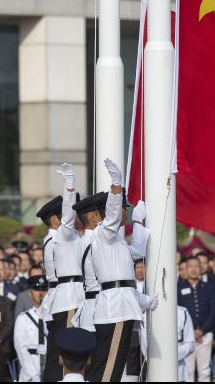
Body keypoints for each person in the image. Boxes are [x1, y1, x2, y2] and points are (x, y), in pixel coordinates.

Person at [86, 159, 157, 382]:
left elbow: (137, 251)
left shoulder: (114, 239)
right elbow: (114, 215)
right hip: (115, 308)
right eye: (125, 209)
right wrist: (116, 185)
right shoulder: (103, 233)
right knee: (110, 367)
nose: (125, 212)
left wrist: (138, 222)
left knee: (111, 365)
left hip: (121, 304)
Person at [45, 163, 84, 381]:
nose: (77, 214)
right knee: (67, 354)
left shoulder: (73, 236)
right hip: (69, 297)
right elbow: (68, 217)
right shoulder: (63, 235)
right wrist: (70, 187)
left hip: (71, 296)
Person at [34, 192, 64, 381]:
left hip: (58, 298)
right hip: (61, 298)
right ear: (54, 220)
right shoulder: (55, 241)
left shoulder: (53, 240)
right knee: (58, 354)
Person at [178, 256, 215, 382]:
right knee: (188, 370)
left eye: (196, 266)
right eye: (190, 266)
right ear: (185, 269)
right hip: (186, 336)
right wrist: (192, 332)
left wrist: (201, 331)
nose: (193, 269)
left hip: (205, 334)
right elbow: (178, 312)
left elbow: (214, 312)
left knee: (204, 370)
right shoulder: (178, 287)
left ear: (201, 269)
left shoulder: (209, 287)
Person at [13, 275, 49, 382]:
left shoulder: (53, 317)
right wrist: (33, 375)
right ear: (30, 293)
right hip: (29, 373)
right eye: (37, 289)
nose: (41, 293)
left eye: (44, 289)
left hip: (50, 368)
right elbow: (21, 349)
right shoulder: (23, 319)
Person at [176, 305, 196, 381]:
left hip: (179, 374)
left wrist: (173, 355)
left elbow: (191, 344)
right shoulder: (147, 313)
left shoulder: (182, 312)